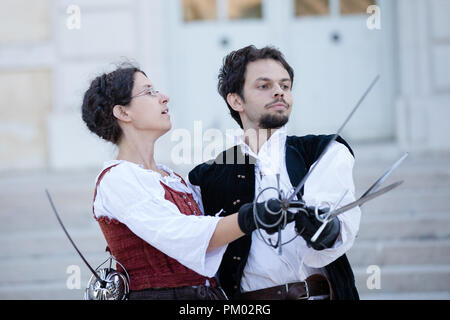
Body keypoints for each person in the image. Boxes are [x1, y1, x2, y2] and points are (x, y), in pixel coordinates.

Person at [80, 63, 289, 300]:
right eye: (149, 92)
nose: (164, 97)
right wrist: (250, 216)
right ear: (123, 113)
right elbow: (182, 233)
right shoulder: (118, 180)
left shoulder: (172, 178)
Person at [188, 45, 361, 300]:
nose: (279, 91)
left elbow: (342, 226)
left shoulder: (325, 151)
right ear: (236, 100)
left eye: (285, 85)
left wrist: (328, 230)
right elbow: (195, 244)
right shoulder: (206, 177)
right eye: (264, 85)